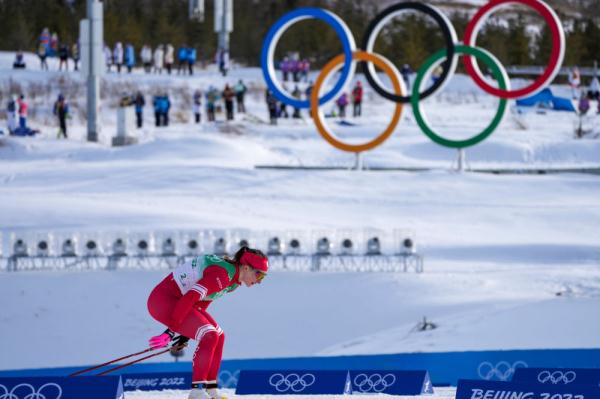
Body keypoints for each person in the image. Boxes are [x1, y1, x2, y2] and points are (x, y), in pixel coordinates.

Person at [147, 247, 268, 399]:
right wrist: (171, 331)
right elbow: (191, 296)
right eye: (259, 275)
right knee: (209, 335)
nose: (259, 281)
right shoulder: (223, 275)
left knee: (219, 335)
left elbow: (202, 301)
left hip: (181, 302)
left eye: (263, 277)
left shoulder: (234, 283)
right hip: (163, 301)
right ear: (245, 267)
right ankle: (197, 392)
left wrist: (185, 333)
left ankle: (211, 390)